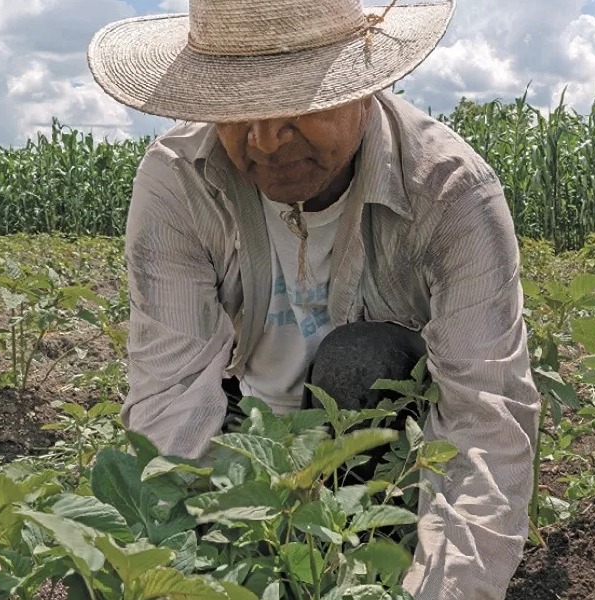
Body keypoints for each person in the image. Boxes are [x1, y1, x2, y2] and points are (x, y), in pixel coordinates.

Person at [88, 1, 540, 598]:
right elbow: (171, 396)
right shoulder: (180, 181)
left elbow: (485, 420)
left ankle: (378, 544)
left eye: (297, 104)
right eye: (237, 110)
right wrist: (186, 572)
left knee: (362, 358)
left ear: (365, 89)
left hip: (385, 444)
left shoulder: (449, 193)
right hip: (245, 433)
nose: (266, 140)